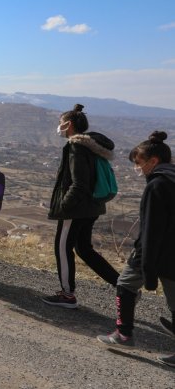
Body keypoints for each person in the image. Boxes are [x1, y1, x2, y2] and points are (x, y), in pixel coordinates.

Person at [96, 131, 175, 363]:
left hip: (153, 252)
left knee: (126, 284)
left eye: (138, 163)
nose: (137, 169)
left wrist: (147, 266)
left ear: (153, 161)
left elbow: (151, 229)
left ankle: (123, 334)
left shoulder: (157, 186)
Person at [42, 104, 119, 308]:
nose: (59, 127)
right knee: (84, 249)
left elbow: (79, 183)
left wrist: (65, 206)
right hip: (92, 207)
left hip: (76, 209)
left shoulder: (76, 146)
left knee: (62, 247)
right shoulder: (92, 146)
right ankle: (123, 287)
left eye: (61, 124)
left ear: (69, 125)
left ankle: (67, 295)